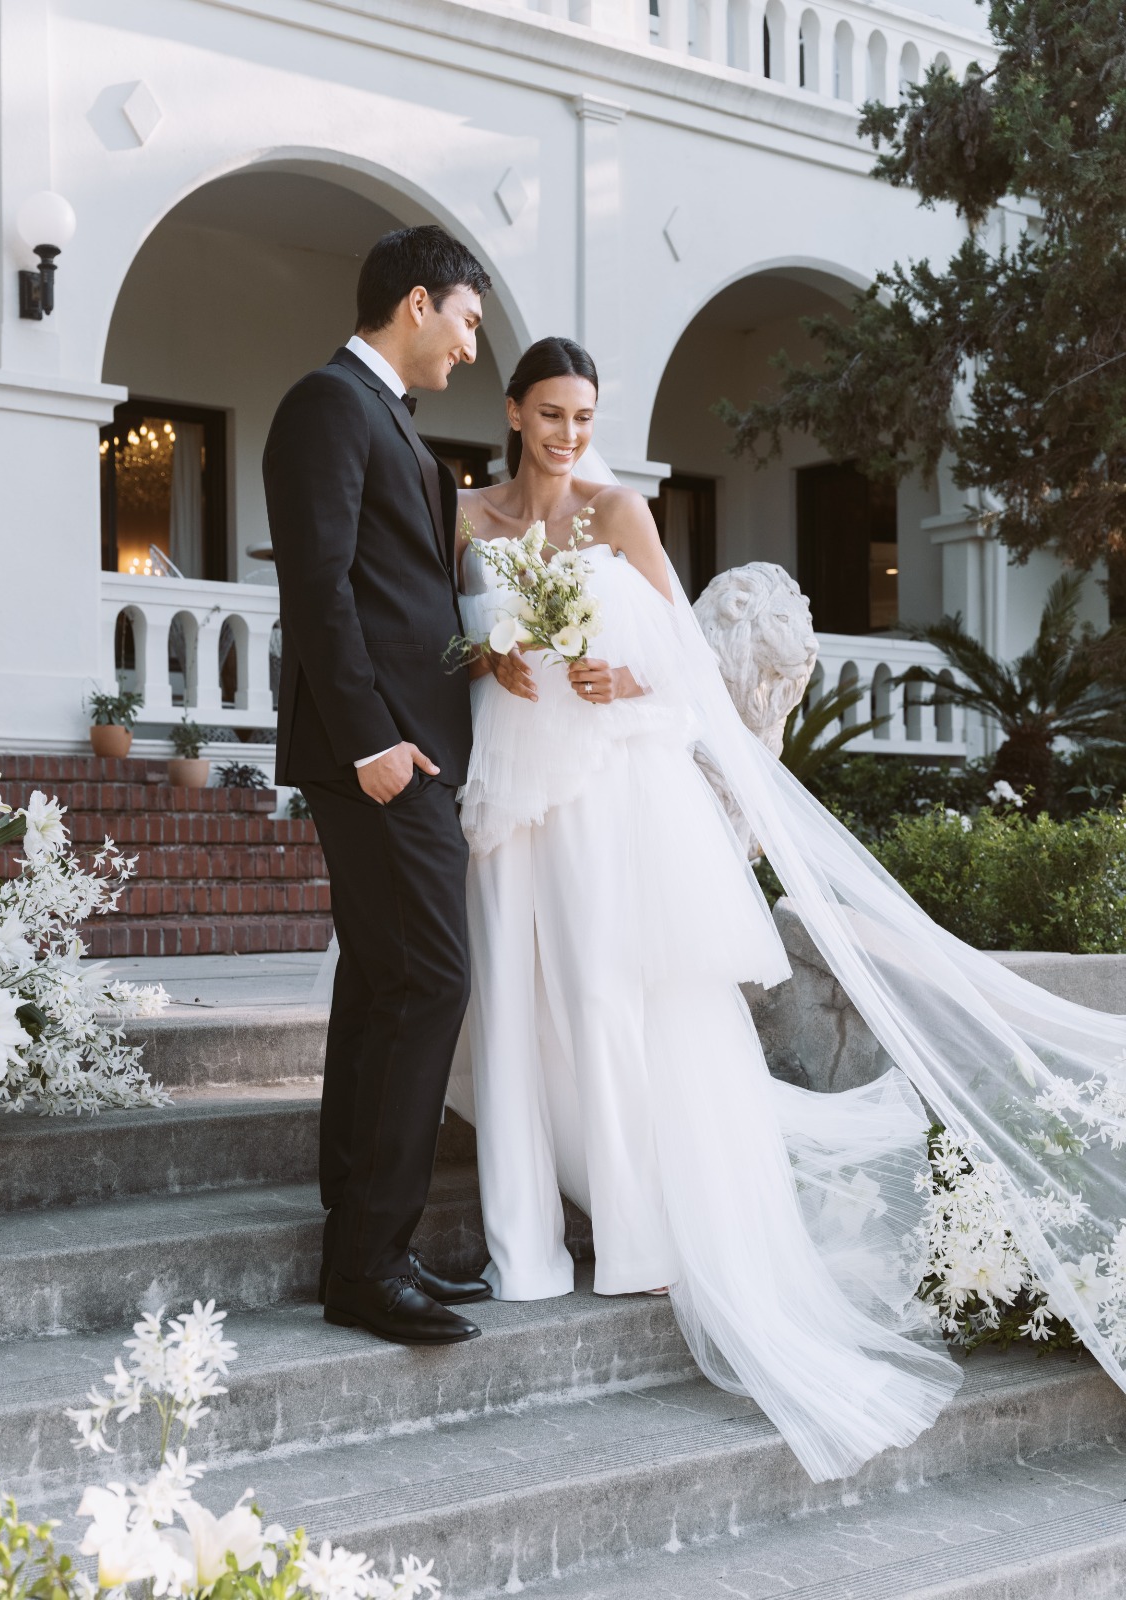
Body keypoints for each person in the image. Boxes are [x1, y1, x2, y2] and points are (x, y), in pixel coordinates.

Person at [447, 335, 1126, 1483]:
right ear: (512, 412)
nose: (567, 432)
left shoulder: (619, 512)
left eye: (582, 414)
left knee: (609, 1000)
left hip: (604, 789)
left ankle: (632, 1236)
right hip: (511, 797)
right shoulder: (466, 517)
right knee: (512, 1005)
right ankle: (521, 1249)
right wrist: (484, 658)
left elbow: (684, 669)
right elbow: (445, 636)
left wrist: (627, 678)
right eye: (549, 413)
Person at [262, 225, 494, 1347]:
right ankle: (370, 1259)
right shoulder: (327, 405)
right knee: (434, 980)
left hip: (410, 746)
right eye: (466, 320)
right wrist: (372, 741)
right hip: (380, 757)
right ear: (416, 302)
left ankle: (358, 1230)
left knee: (383, 979)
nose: (471, 344)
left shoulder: (388, 417)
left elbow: (401, 593)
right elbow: (316, 588)